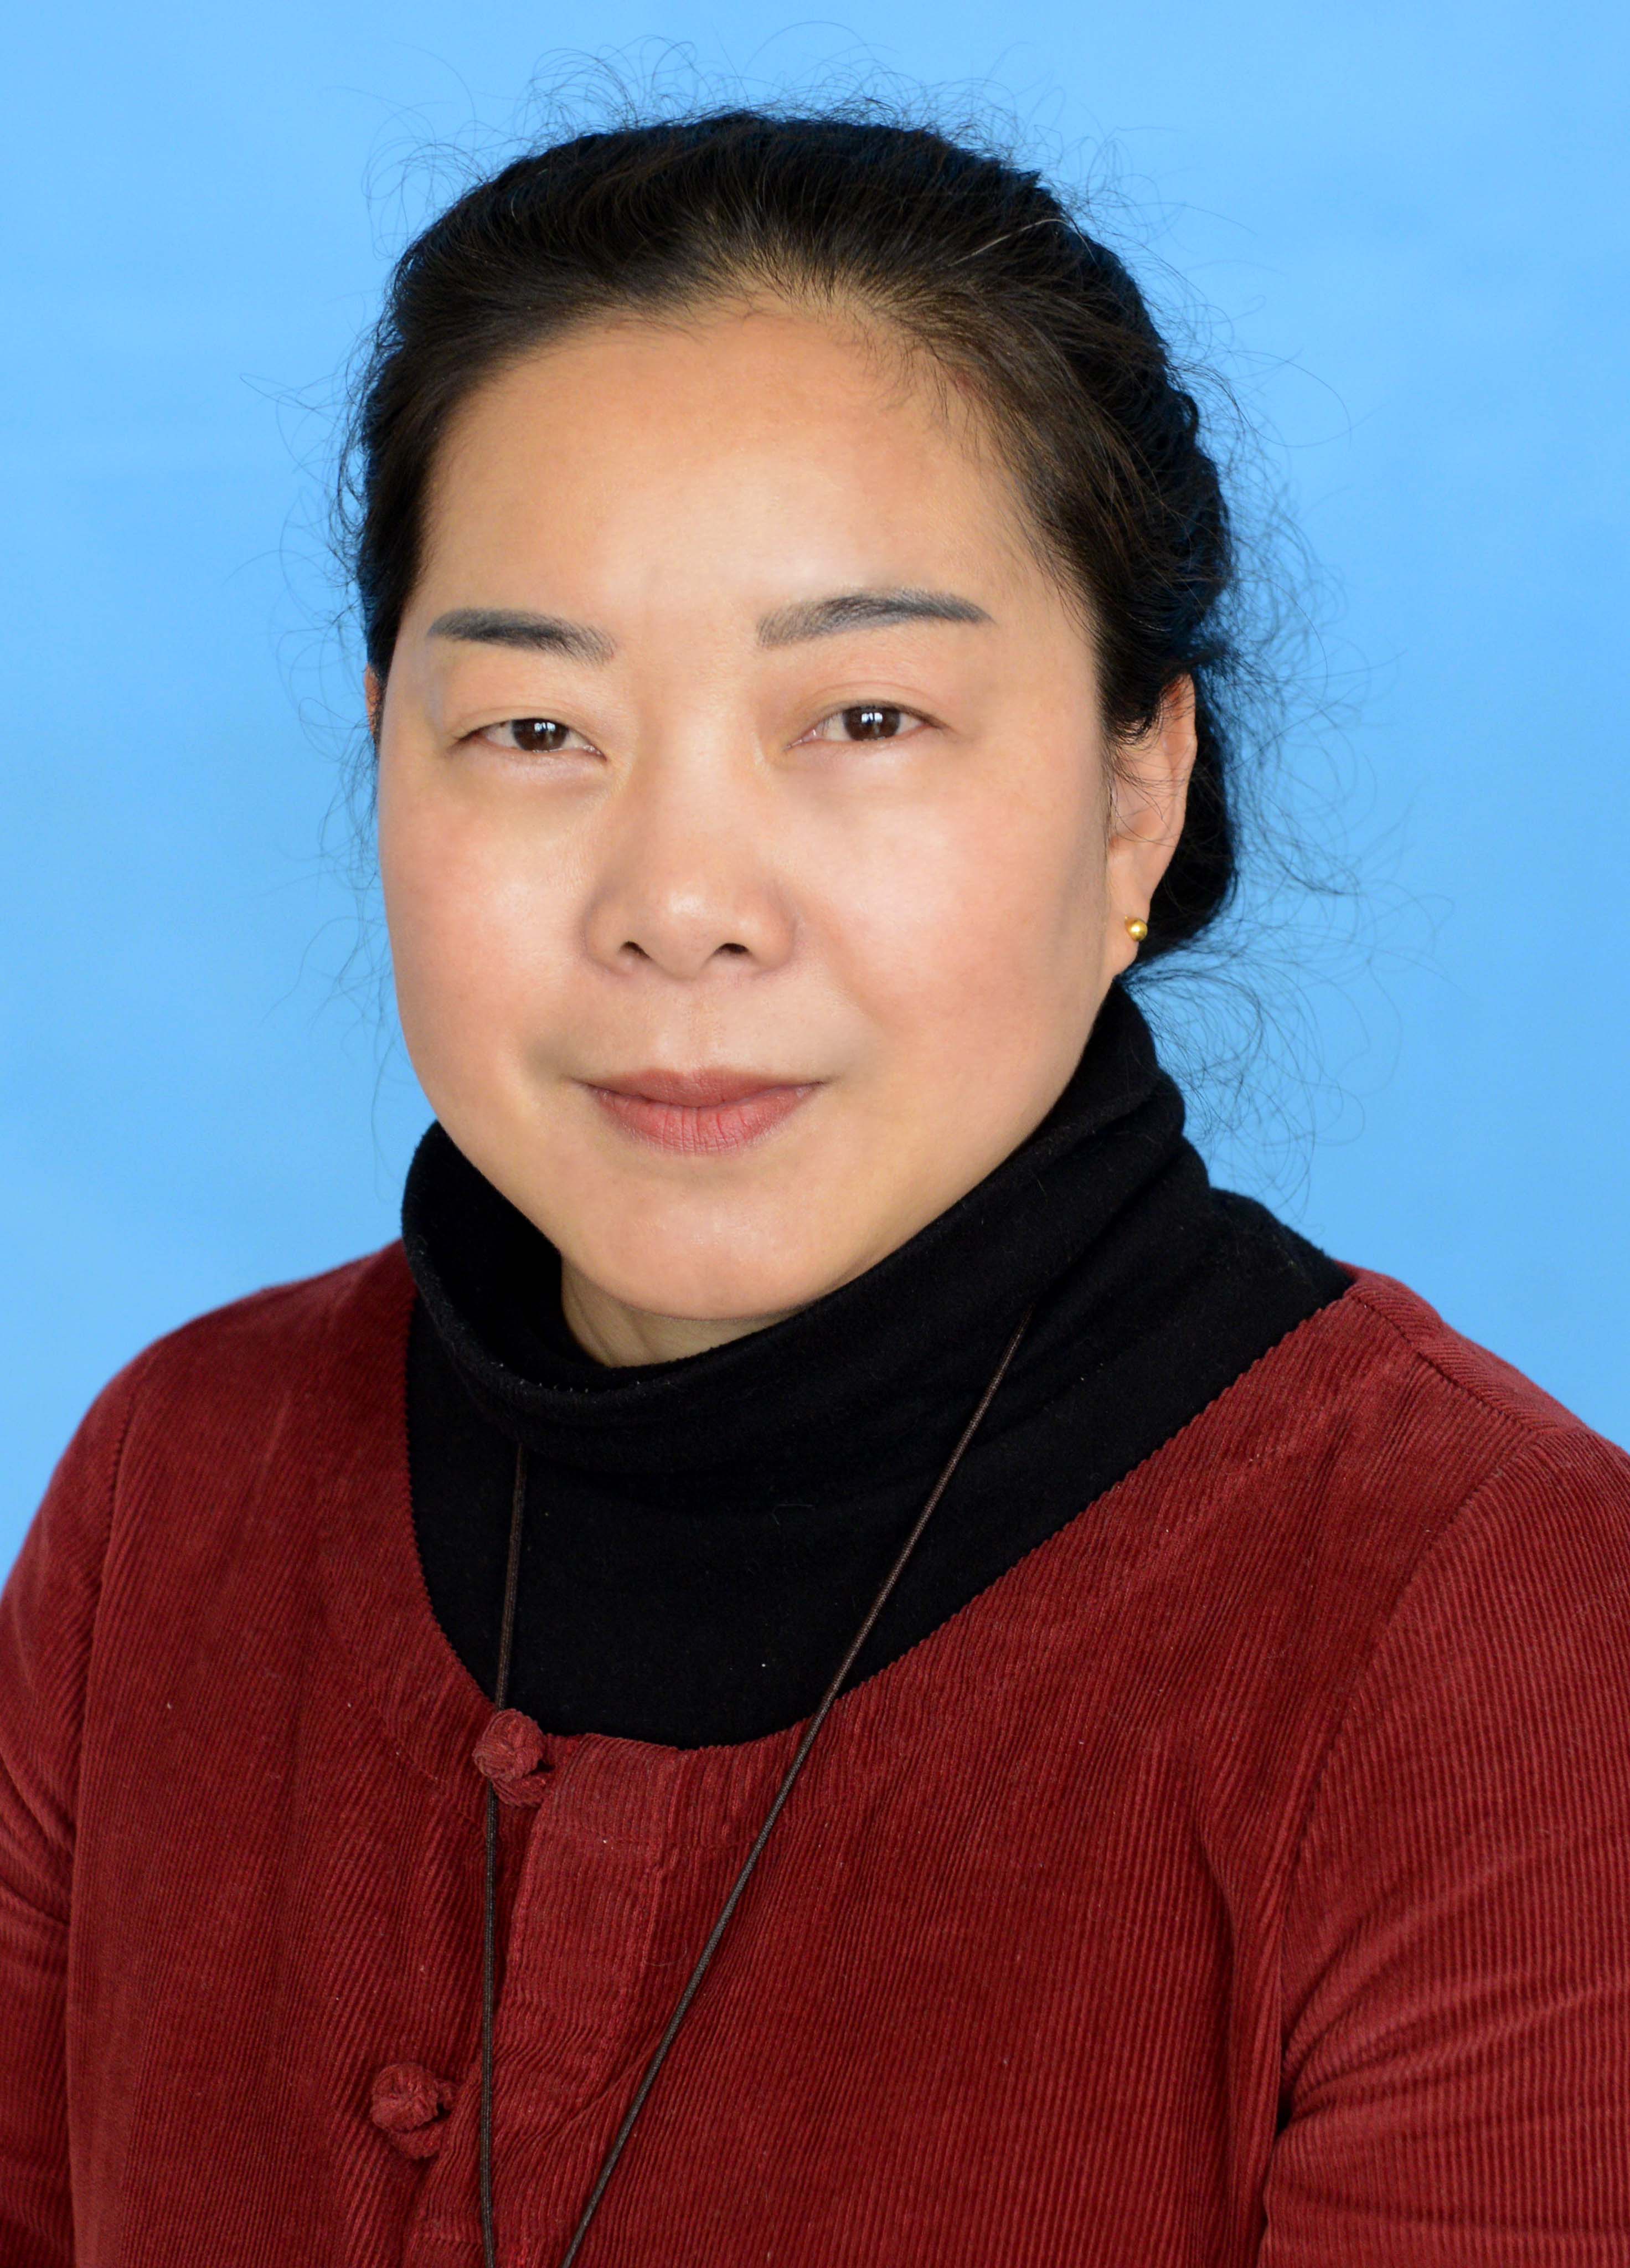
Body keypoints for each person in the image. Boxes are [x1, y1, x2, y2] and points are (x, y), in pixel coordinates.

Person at [3, 104, 1628, 2268]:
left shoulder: (1509, 1649)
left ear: (1138, 791)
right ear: (385, 744)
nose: (681, 904)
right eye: (533, 731)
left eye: (864, 718)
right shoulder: (174, 1490)